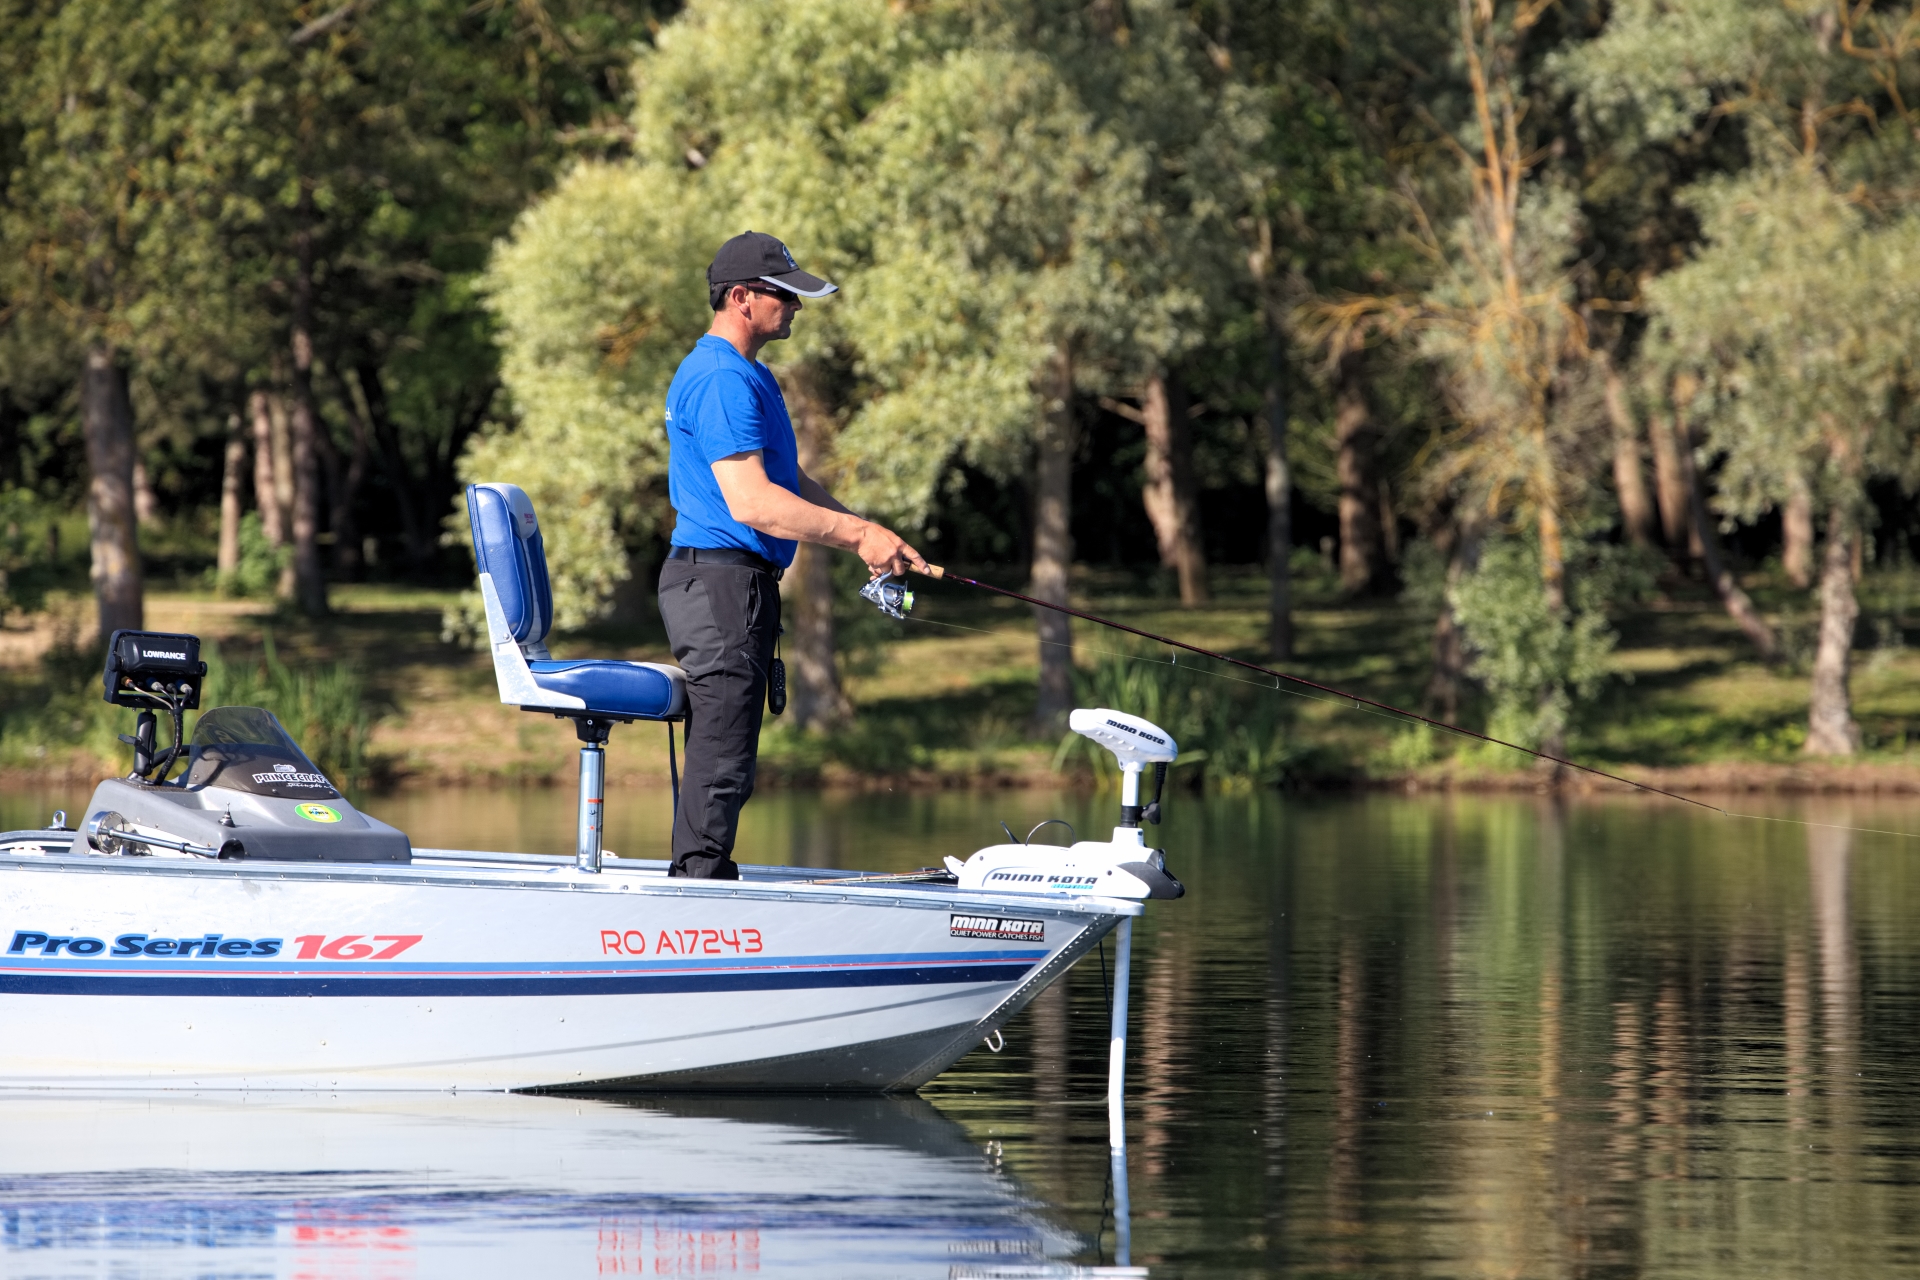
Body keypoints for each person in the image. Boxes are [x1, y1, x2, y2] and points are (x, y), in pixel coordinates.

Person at [658, 231, 926, 879]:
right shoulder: (721, 377)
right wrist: (859, 537)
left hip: (734, 587)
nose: (797, 306)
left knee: (731, 759)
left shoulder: (750, 375)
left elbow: (788, 482)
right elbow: (753, 503)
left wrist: (864, 530)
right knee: (722, 762)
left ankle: (703, 881)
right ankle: (696, 896)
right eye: (786, 294)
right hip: (718, 585)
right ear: (742, 298)